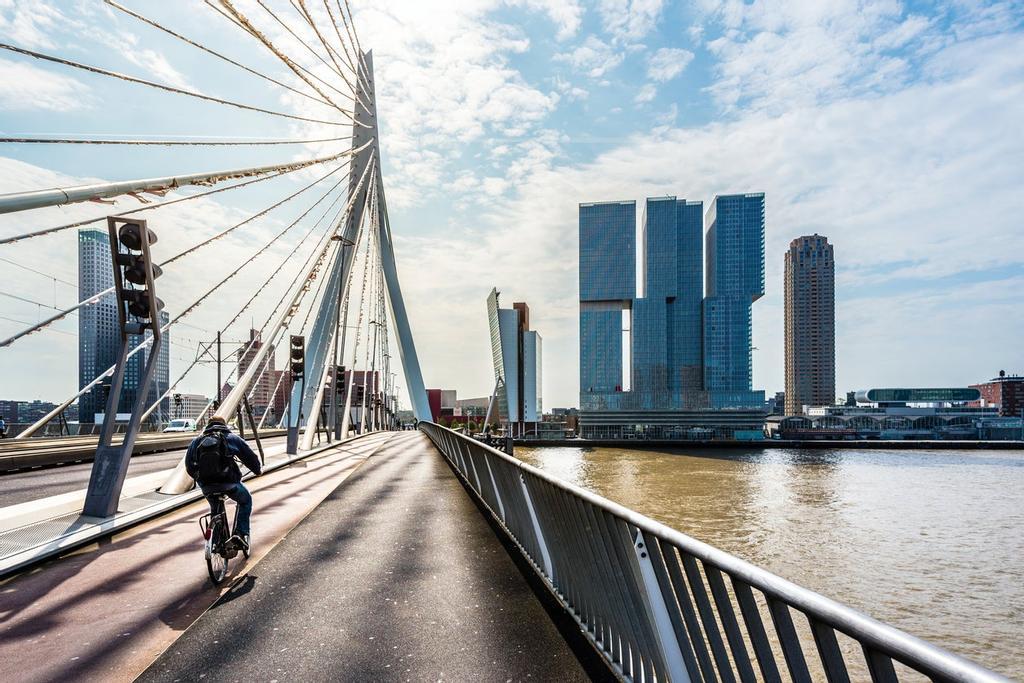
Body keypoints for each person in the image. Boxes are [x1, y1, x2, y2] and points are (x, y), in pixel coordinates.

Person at [185, 416, 262, 552]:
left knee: (215, 509)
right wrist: (257, 470)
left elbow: (189, 466)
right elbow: (249, 456)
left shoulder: (196, 441)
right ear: (224, 425)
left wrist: (200, 479)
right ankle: (240, 534)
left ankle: (215, 544)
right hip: (229, 484)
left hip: (207, 486)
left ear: (207, 426)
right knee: (245, 500)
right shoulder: (231, 438)